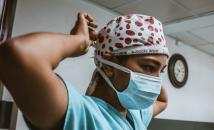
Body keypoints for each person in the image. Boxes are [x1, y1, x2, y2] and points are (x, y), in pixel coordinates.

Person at [0, 12, 168, 130]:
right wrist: (78, 41)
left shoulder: (134, 115)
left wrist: (152, 69)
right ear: (109, 67)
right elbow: (18, 55)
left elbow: (162, 101)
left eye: (161, 70)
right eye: (149, 67)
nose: (157, 80)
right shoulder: (81, 115)